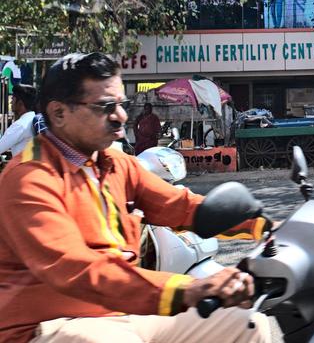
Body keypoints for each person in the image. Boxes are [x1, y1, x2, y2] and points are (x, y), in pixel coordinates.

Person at [0, 53, 271, 343]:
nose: (121, 116)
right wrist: (189, 290)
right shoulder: (30, 178)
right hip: (49, 325)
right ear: (59, 114)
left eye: (121, 104)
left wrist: (264, 227)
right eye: (105, 107)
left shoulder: (115, 163)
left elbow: (181, 207)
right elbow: (78, 269)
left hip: (118, 314)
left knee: (246, 322)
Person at [0, 84, 37, 158]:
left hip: (24, 167)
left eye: (13, 99)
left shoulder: (20, 125)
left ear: (20, 104)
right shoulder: (33, 119)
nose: (11, 103)